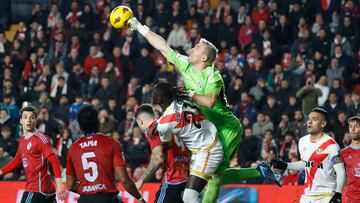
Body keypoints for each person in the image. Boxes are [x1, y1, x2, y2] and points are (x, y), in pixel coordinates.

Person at [128, 16, 244, 203]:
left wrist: (189, 94)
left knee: (214, 179)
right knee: (209, 177)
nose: (192, 48)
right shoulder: (186, 65)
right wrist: (140, 27)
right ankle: (261, 171)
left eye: (197, 47)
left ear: (204, 58)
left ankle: (258, 171)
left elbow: (210, 101)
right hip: (207, 128)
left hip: (227, 128)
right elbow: (163, 47)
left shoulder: (212, 76)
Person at [149, 82, 223, 203]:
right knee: (202, 194)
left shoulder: (164, 124)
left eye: (153, 95)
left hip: (208, 151)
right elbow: (177, 116)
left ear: (158, 99)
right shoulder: (182, 96)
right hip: (210, 141)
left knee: (189, 198)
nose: (151, 97)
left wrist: (159, 131)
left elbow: (166, 145)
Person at [65, 105, 146, 203]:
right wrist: (140, 198)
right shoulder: (112, 143)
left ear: (80, 124)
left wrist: (88, 188)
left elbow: (70, 185)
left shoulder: (73, 148)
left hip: (84, 199)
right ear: (98, 121)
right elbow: (124, 180)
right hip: (107, 198)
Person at [273, 108, 345, 203]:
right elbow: (305, 163)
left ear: (323, 124)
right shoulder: (302, 141)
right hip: (307, 196)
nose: (309, 122)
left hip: (326, 195)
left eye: (314, 119)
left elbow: (341, 171)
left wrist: (338, 194)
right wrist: (287, 165)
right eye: (308, 119)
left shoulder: (332, 145)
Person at [0, 105, 68, 203]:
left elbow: (54, 160)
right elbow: (17, 161)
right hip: (46, 190)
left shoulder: (41, 139)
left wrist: (59, 183)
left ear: (36, 120)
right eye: (25, 117)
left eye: (32, 117)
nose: (28, 120)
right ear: (21, 121)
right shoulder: (22, 140)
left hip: (36, 189)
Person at [135, 104, 190, 203]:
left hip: (173, 180)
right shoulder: (169, 124)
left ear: (140, 121)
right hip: (189, 179)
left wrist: (141, 180)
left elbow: (158, 158)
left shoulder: (152, 130)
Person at [341, 116, 360, 203]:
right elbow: (338, 175)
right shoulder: (343, 153)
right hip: (351, 198)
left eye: (356, 126)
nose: (352, 129)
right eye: (350, 126)